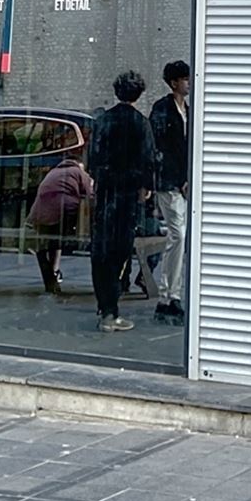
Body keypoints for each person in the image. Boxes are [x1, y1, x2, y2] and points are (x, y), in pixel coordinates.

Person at [87, 71, 156, 335]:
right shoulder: (141, 123)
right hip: (128, 193)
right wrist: (145, 187)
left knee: (102, 249)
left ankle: (104, 305)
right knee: (120, 250)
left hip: (106, 191)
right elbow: (148, 159)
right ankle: (111, 310)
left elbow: (93, 157)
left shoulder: (103, 120)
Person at [149, 60, 190, 326]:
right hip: (169, 184)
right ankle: (168, 296)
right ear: (174, 82)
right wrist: (178, 180)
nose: (189, 83)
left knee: (179, 237)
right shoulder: (163, 110)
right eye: (184, 79)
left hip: (181, 183)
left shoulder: (188, 109)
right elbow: (161, 149)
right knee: (178, 235)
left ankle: (171, 294)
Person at [27, 149, 94, 296]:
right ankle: (53, 277)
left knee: (46, 244)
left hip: (39, 214)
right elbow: (91, 193)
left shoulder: (53, 172)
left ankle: (51, 276)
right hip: (62, 212)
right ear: (79, 164)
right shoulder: (77, 171)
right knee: (57, 239)